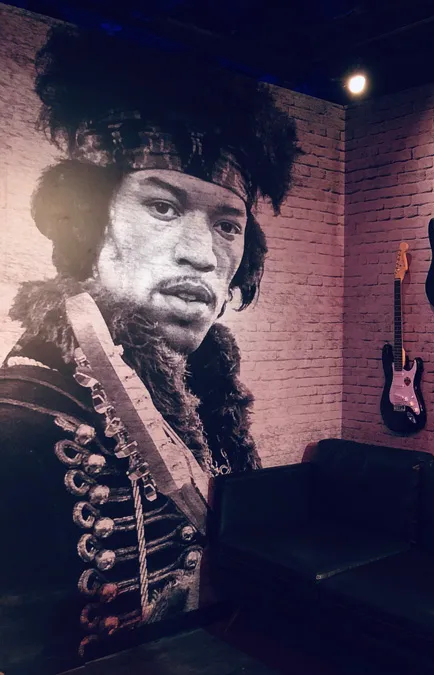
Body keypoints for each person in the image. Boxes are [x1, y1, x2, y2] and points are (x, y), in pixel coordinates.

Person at [0, 25, 298, 674]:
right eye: (162, 207)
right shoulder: (20, 426)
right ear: (88, 220)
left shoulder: (210, 394)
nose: (199, 252)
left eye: (227, 223)